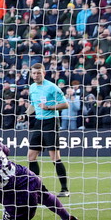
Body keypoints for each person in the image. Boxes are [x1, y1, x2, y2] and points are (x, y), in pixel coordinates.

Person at [27, 63, 70, 197]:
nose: (36, 75)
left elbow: (65, 104)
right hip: (38, 122)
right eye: (34, 73)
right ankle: (35, 187)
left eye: (38, 73)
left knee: (54, 157)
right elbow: (33, 105)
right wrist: (25, 114)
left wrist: (49, 108)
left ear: (44, 73)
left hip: (51, 121)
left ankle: (64, 189)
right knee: (31, 156)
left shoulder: (52, 87)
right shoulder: (32, 87)